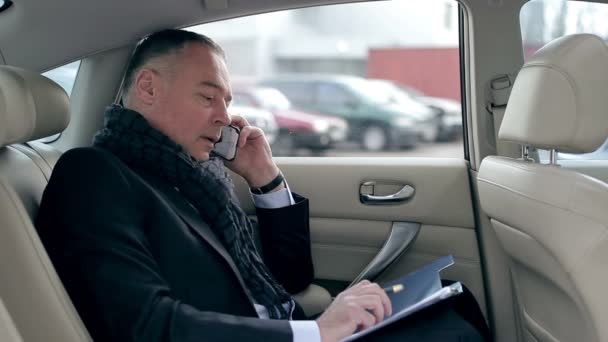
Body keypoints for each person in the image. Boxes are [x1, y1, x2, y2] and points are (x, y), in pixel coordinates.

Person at [36, 29, 489, 342]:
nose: (223, 115)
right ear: (149, 88)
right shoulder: (94, 175)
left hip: (288, 329)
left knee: (452, 302)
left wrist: (264, 179)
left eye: (226, 101)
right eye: (207, 96)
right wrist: (320, 331)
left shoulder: (197, 177)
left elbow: (290, 279)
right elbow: (148, 327)